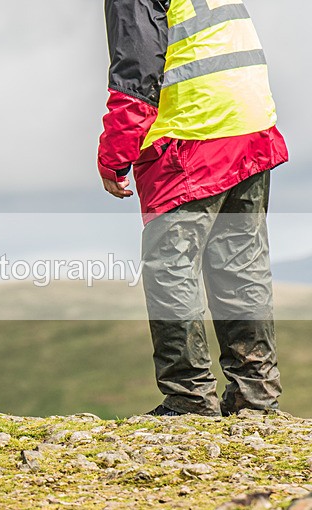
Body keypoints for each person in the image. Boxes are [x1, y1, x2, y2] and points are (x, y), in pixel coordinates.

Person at [98, 0, 288, 416]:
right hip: (250, 122)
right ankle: (255, 396)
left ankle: (189, 399)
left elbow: (136, 71)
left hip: (192, 128)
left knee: (171, 268)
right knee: (242, 263)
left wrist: (114, 154)